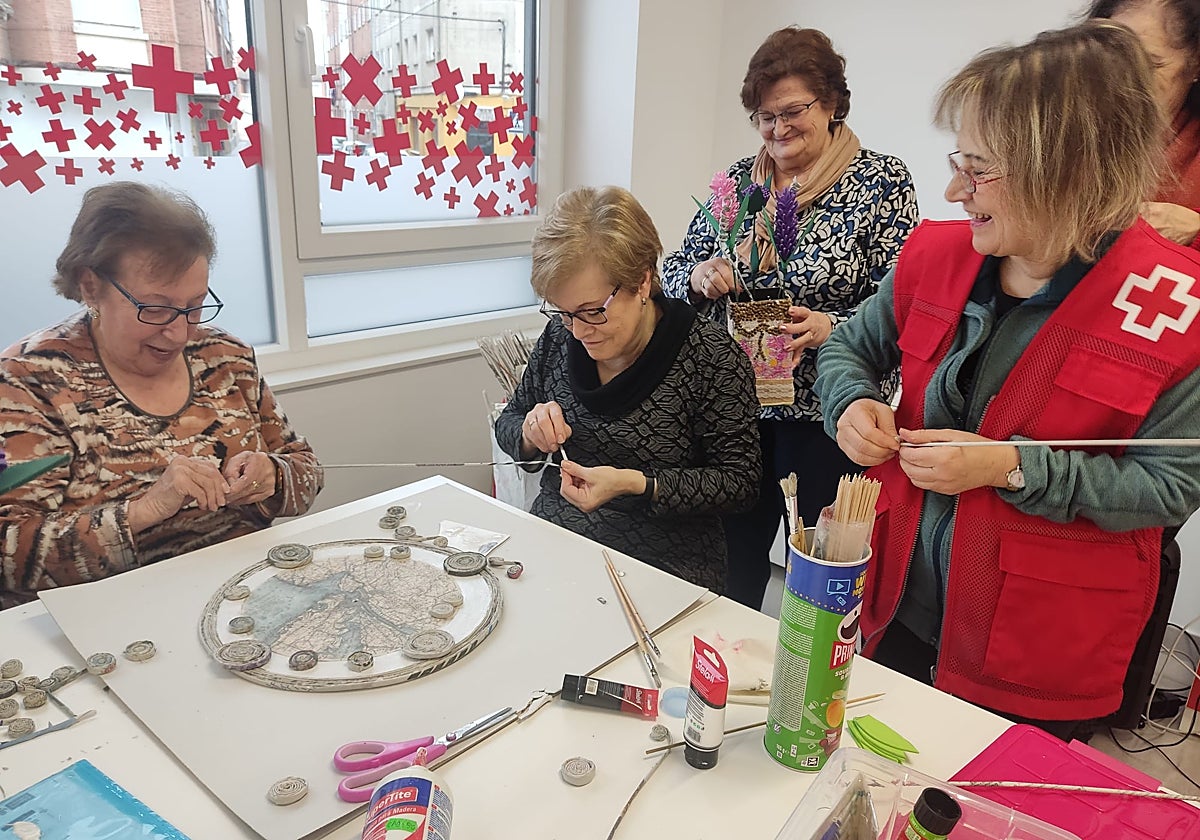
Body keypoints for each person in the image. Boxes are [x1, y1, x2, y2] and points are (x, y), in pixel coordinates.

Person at [815, 22, 1200, 737]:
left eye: (980, 167)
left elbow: (1171, 486)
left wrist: (1013, 468)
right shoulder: (933, 255)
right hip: (894, 612)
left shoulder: (1177, 311)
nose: (955, 188)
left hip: (1035, 658)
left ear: (1071, 171)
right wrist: (852, 400)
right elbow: (847, 350)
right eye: (958, 160)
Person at [662, 26, 919, 610]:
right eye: (762, 115)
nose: (777, 128)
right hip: (733, 408)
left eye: (792, 111)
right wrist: (699, 277)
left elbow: (906, 302)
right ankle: (723, 669)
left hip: (826, 413)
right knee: (729, 562)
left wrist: (834, 328)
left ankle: (810, 686)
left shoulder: (880, 182)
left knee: (822, 569)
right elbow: (672, 274)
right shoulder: (734, 184)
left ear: (831, 102)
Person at [0, 182, 324, 609]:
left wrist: (273, 478)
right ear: (90, 286)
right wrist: (146, 509)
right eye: (154, 309)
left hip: (242, 596)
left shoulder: (223, 356)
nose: (179, 332)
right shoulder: (29, 380)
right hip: (108, 613)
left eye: (194, 305)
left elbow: (308, 471)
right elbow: (10, 553)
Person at [494, 186, 761, 592]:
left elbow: (739, 483)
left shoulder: (710, 356)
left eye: (593, 312)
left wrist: (638, 483)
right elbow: (510, 420)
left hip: (665, 568)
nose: (579, 331)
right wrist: (530, 434)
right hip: (557, 544)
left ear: (642, 281)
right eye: (564, 313)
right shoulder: (559, 336)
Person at [1088, 0, 1200, 247]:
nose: (1122, 79)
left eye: (1149, 64)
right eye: (1109, 56)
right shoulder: (1055, 121)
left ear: (1195, 64)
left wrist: (1195, 230)